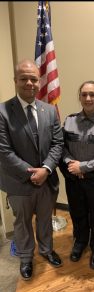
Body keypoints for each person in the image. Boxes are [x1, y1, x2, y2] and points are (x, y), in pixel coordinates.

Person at [0, 59, 63, 280]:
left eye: (34, 78)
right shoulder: (2, 111)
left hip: (46, 180)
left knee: (45, 219)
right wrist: (32, 173)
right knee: (23, 223)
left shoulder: (49, 110)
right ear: (15, 80)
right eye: (24, 78)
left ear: (39, 81)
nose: (29, 83)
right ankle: (26, 257)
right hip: (18, 182)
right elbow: (4, 151)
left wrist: (45, 169)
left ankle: (46, 250)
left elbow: (58, 143)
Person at [59, 80, 94, 269]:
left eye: (92, 94)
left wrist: (83, 167)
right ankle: (80, 241)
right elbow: (62, 148)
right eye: (84, 94)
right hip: (74, 179)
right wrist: (71, 164)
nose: (88, 98)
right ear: (79, 97)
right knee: (77, 212)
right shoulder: (69, 120)